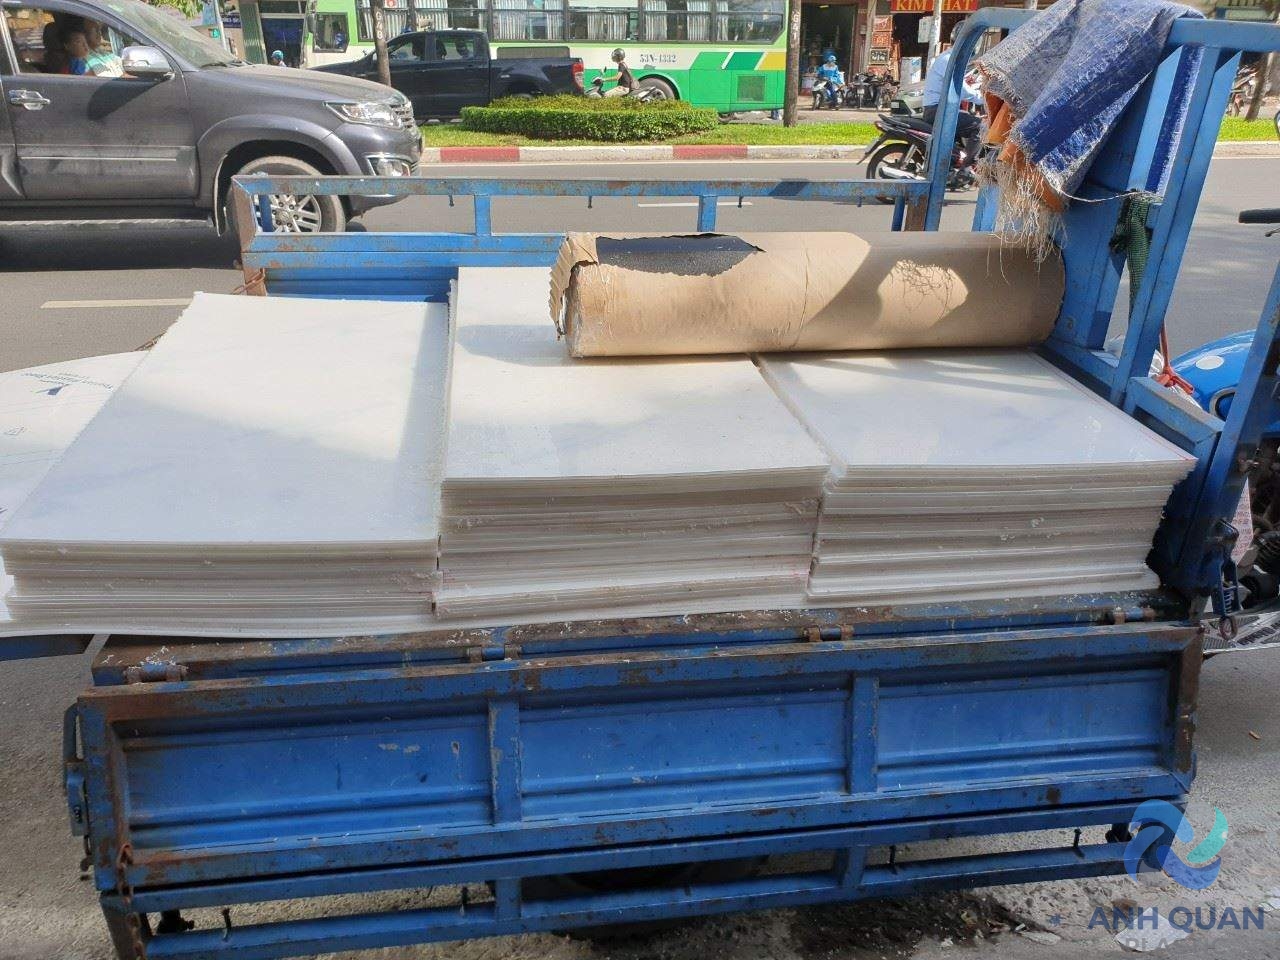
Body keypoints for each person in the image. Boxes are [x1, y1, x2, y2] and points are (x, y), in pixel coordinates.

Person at [921, 23, 983, 165]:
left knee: (968, 119)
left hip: (940, 109)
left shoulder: (951, 58)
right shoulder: (948, 60)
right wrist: (982, 99)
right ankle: (966, 167)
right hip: (937, 110)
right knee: (980, 127)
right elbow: (961, 89)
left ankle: (954, 163)